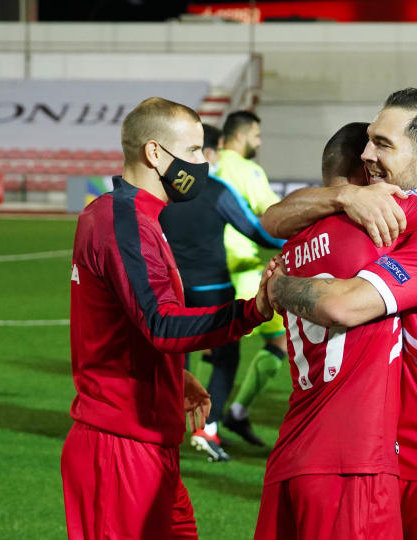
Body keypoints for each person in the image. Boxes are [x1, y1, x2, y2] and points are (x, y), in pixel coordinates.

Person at [265, 88, 417, 539]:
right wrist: (343, 198)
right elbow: (274, 217)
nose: (367, 154)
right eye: (368, 141)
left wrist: (278, 287)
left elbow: (343, 303)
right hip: (385, 452)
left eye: (383, 144)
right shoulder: (388, 216)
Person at [62, 97, 273, 539]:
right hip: (119, 443)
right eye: (194, 151)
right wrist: (253, 310)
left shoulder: (139, 215)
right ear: (155, 153)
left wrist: (172, 376)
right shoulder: (123, 221)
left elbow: (131, 319)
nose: (203, 163)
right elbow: (161, 323)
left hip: (149, 437)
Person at [158, 123, 285, 461]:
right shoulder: (216, 190)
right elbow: (256, 231)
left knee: (175, 361)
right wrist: (298, 243)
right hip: (214, 292)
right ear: (209, 154)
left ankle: (165, 431)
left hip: (173, 292)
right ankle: (207, 427)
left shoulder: (162, 191)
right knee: (226, 359)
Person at [193, 109, 285, 455]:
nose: (258, 142)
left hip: (206, 271)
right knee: (279, 344)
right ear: (241, 135)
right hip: (245, 272)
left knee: (208, 346)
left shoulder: (208, 171)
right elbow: (271, 215)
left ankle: (200, 420)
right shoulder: (248, 171)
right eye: (257, 136)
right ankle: (234, 412)